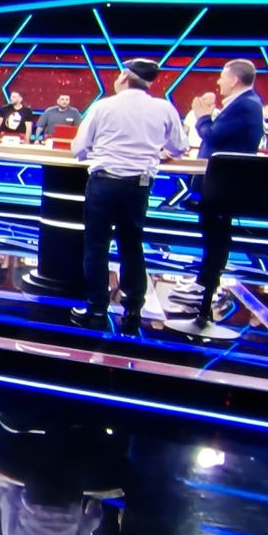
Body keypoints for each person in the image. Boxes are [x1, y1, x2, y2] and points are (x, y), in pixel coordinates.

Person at [70, 59, 187, 332]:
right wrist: (158, 154)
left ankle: (96, 309)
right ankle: (133, 309)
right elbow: (179, 147)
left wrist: (97, 151)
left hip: (104, 183)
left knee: (97, 246)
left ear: (124, 76)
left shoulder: (103, 106)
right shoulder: (164, 108)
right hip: (139, 186)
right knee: (132, 245)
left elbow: (79, 148)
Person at [187, 59, 267, 326]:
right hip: (221, 183)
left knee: (216, 234)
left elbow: (213, 135)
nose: (219, 81)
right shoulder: (246, 103)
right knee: (213, 232)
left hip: (225, 184)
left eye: (222, 76)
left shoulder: (245, 104)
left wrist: (201, 117)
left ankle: (207, 286)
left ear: (234, 80)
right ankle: (205, 284)